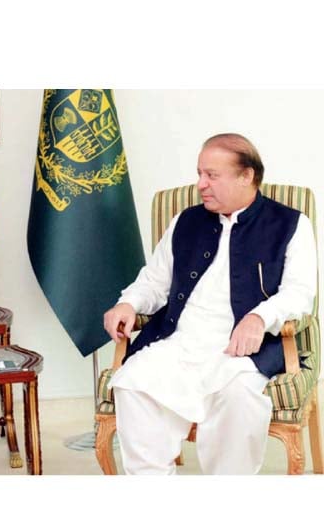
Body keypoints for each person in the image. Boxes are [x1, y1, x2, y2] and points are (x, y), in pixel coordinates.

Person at [102, 133, 316, 475]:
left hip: (240, 350)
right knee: (133, 381)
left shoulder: (290, 224)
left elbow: (300, 293)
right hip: (179, 341)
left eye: (212, 175)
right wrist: (128, 303)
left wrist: (260, 317)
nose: (201, 184)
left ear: (247, 176)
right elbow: (154, 281)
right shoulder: (186, 221)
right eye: (200, 173)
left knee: (239, 396)